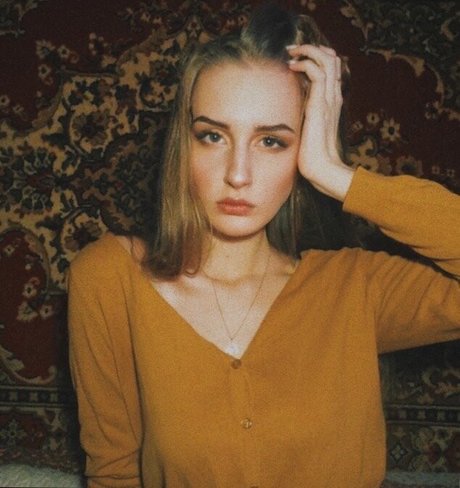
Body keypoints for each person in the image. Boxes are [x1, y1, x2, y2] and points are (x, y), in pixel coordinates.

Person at [67, 3, 460, 487]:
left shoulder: (354, 287)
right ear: (182, 145)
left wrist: (337, 175)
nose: (238, 174)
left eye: (272, 141)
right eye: (212, 136)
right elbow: (113, 474)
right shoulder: (111, 278)